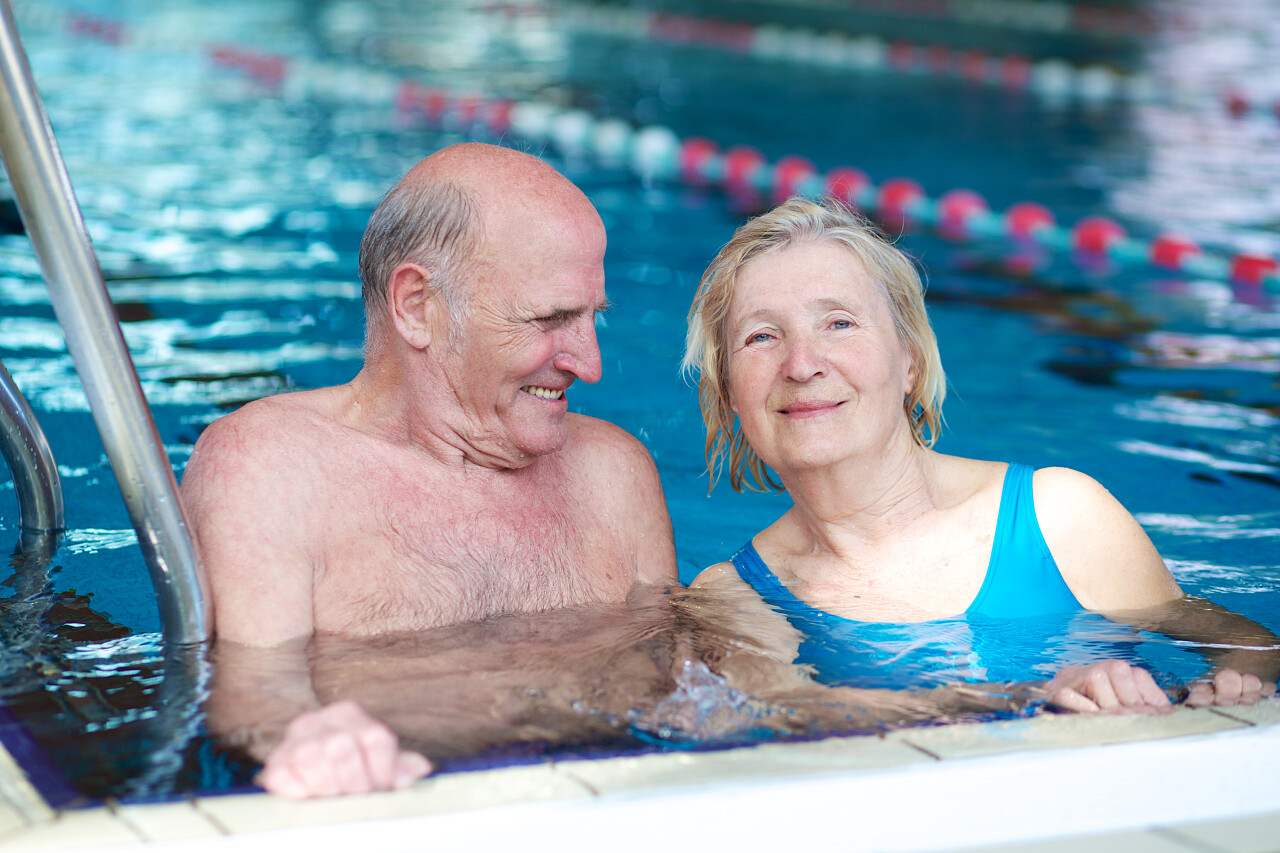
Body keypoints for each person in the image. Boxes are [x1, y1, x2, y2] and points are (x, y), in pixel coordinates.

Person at [181, 143, 677, 796]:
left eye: (593, 318)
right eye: (551, 319)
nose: (590, 364)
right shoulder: (270, 468)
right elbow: (256, 699)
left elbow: (673, 698)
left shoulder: (614, 475)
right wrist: (303, 741)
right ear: (417, 306)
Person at [682, 196, 1279, 707]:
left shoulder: (1059, 518)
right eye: (762, 336)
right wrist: (1036, 698)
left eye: (838, 323)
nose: (803, 363)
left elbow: (1251, 651)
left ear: (909, 360)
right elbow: (810, 724)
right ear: (730, 390)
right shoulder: (734, 598)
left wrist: (1220, 692)